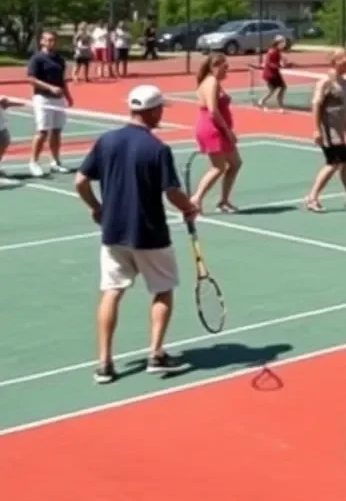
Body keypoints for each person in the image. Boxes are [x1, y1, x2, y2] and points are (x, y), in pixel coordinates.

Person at [74, 85, 198, 384]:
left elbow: (80, 181)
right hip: (149, 232)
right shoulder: (157, 148)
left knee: (111, 291)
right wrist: (189, 207)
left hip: (113, 231)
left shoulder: (106, 141)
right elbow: (171, 192)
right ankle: (156, 355)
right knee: (163, 289)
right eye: (161, 109)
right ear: (153, 111)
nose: (161, 114)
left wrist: (96, 208)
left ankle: (104, 363)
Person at [304, 50, 346, 213]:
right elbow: (316, 105)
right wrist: (317, 129)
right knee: (333, 163)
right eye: (345, 61)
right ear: (335, 62)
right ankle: (312, 198)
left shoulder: (345, 84)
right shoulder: (325, 82)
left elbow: (343, 108)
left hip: (339, 131)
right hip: (328, 131)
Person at [191, 52, 243, 213]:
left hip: (218, 128)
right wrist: (228, 131)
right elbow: (213, 110)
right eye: (224, 67)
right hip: (213, 129)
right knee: (218, 167)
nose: (227, 70)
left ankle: (224, 201)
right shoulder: (211, 82)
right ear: (215, 66)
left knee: (235, 163)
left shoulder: (214, 82)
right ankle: (196, 199)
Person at [26, 29, 73, 177]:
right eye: (47, 40)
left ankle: (55, 161)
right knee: (42, 131)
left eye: (53, 40)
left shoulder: (60, 59)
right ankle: (33, 162)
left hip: (58, 100)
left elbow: (62, 81)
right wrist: (50, 88)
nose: (50, 42)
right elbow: (31, 79)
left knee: (57, 131)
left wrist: (68, 96)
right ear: (42, 41)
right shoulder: (37, 59)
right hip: (43, 98)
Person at [258, 35, 291, 110]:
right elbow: (270, 63)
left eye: (284, 42)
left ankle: (262, 101)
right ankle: (280, 106)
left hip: (274, 73)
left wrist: (284, 63)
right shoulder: (272, 51)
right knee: (280, 88)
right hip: (270, 74)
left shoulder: (277, 51)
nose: (284, 44)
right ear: (278, 43)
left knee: (275, 89)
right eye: (283, 42)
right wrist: (279, 66)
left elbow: (277, 62)